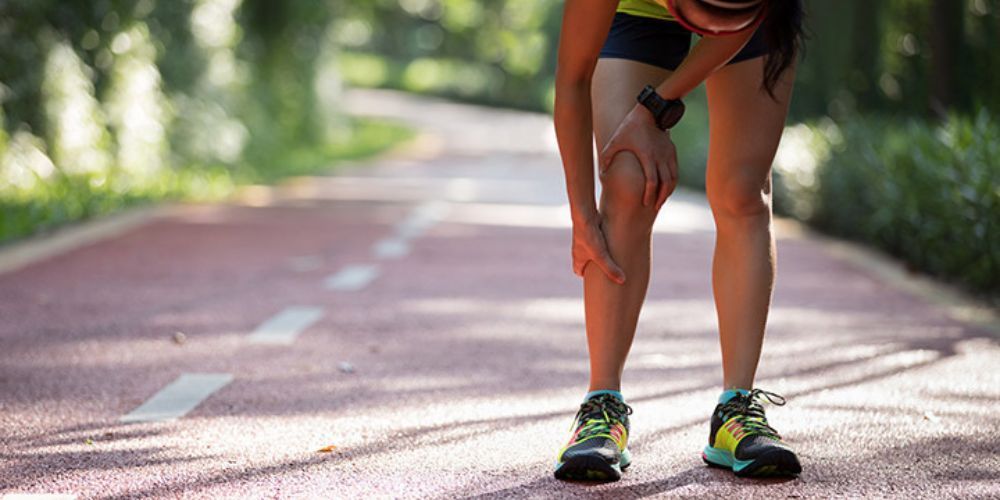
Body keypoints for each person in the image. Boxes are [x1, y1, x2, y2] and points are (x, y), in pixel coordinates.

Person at [552, 0, 805, 481]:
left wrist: (655, 108)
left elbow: (733, 25)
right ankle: (601, 405)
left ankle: (737, 408)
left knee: (742, 192)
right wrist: (582, 216)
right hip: (637, 14)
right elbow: (571, 78)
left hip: (754, 18)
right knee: (628, 179)